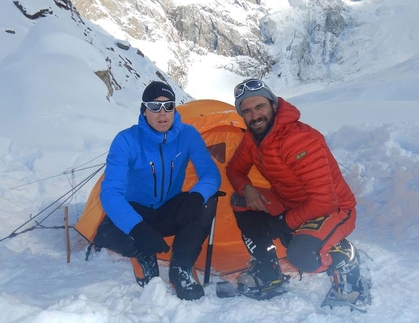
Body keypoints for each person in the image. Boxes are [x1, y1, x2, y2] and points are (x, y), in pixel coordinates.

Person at [226, 78, 366, 303]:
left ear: (273, 105)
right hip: (291, 202)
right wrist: (247, 188)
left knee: (302, 256)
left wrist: (283, 222)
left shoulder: (299, 140)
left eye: (260, 106)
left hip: (334, 209)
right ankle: (267, 269)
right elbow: (234, 169)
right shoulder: (253, 138)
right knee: (241, 200)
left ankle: (345, 259)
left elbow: (324, 202)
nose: (254, 116)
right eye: (247, 111)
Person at [94, 81, 221, 301]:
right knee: (106, 233)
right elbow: (110, 192)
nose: (162, 113)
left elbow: (211, 173)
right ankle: (144, 254)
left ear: (174, 109)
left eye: (168, 106)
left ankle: (181, 267)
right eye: (154, 106)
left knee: (207, 202)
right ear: (144, 110)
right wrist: (137, 227)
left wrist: (197, 195)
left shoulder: (188, 135)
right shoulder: (126, 140)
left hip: (169, 209)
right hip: (138, 211)